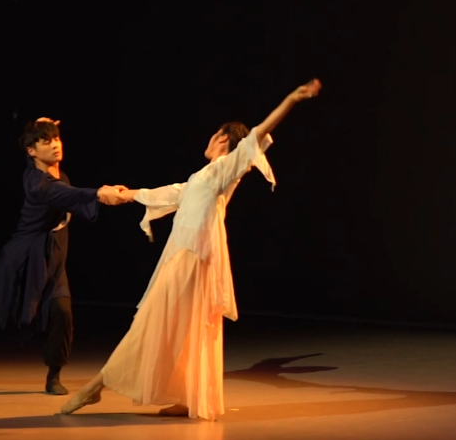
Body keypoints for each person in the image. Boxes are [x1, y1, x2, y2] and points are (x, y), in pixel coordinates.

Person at [60, 78, 321, 419]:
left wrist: (291, 99)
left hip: (193, 257)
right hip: (184, 256)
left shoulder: (224, 169)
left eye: (214, 134)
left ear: (222, 138)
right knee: (184, 326)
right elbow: (166, 194)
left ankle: (97, 385)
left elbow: (258, 134)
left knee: (151, 323)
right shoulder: (202, 177)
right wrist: (120, 194)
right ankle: (188, 397)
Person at [0, 118, 132, 395]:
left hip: (52, 258)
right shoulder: (37, 182)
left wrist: (41, 125)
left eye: (56, 139)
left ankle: (54, 375)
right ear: (32, 151)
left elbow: (69, 194)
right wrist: (99, 193)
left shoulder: (60, 175)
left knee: (62, 312)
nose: (55, 145)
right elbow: (61, 193)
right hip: (21, 259)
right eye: (46, 141)